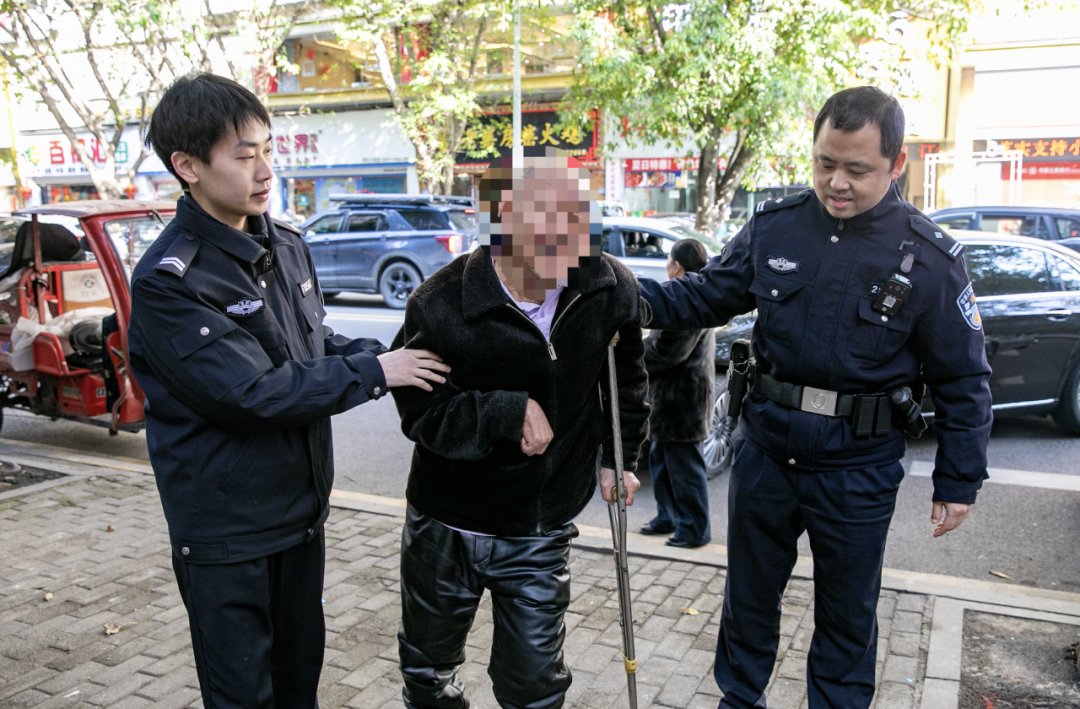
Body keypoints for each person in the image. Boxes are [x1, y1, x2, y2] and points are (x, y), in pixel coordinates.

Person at [638, 86, 992, 709]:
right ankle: (738, 700)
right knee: (747, 601)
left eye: (857, 169)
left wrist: (958, 480)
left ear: (896, 163)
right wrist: (619, 294)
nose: (837, 183)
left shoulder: (932, 260)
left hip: (858, 469)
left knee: (847, 618)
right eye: (825, 163)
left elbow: (964, 379)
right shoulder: (778, 225)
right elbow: (704, 295)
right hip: (766, 454)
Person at [127, 72, 448, 708]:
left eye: (269, 149)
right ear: (188, 166)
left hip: (299, 520)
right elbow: (251, 392)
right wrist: (376, 373)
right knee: (245, 697)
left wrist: (388, 354)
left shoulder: (287, 246)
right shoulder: (170, 281)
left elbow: (311, 342)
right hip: (227, 535)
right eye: (244, 155)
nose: (266, 169)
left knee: (300, 685)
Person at [389, 151, 651, 709]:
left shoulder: (607, 287)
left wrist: (619, 458)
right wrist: (506, 413)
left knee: (534, 688)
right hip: (446, 520)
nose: (574, 243)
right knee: (429, 674)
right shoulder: (439, 304)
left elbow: (626, 384)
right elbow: (422, 414)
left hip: (539, 522)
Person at [638, 238, 715, 548]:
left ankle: (694, 528)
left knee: (685, 468)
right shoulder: (692, 292)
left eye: (668, 260)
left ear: (677, 266)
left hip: (683, 400)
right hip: (670, 399)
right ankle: (667, 517)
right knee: (661, 460)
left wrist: (632, 351)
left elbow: (668, 352)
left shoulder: (688, 298)